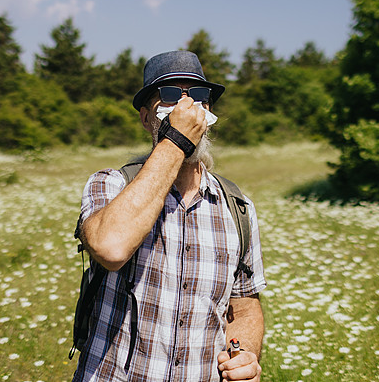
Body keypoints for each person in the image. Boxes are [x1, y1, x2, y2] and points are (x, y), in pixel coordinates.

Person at [73, 50, 267, 382]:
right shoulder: (111, 184)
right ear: (147, 118)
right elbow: (112, 247)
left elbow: (244, 305)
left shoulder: (237, 206)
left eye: (199, 97)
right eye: (171, 96)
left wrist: (244, 354)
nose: (186, 108)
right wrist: (176, 141)